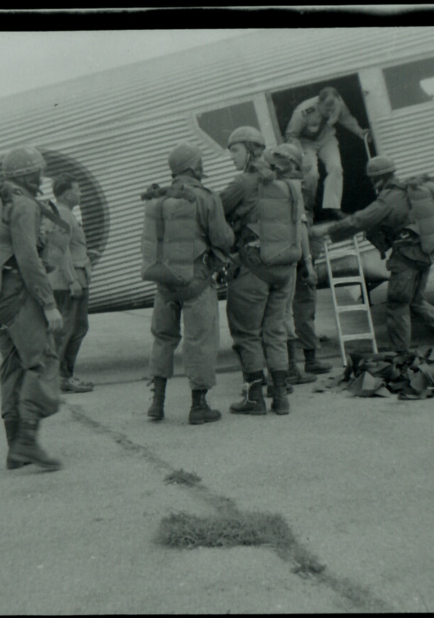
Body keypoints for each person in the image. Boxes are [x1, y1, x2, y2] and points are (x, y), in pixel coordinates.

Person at [0, 146, 64, 471]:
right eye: (39, 172)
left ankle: (13, 449)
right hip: (17, 298)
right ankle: (28, 443)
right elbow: (28, 259)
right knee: (43, 362)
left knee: (13, 365)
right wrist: (48, 305)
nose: (42, 177)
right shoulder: (23, 205)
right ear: (30, 175)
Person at [320, 155, 434, 358]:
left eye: (373, 179)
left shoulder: (389, 198)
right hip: (423, 254)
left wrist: (327, 232)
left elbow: (361, 220)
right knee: (416, 302)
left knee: (397, 305)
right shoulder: (407, 190)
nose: (372, 183)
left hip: (406, 258)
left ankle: (402, 354)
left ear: (379, 178)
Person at [142, 143, 235, 424]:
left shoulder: (157, 198)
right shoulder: (204, 196)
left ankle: (157, 403)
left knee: (163, 339)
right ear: (194, 167)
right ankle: (199, 406)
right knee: (200, 341)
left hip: (164, 281)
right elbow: (223, 239)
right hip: (195, 279)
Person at [219, 126, 304, 416]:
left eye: (234, 149)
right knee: (276, 331)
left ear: (249, 150)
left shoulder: (243, 182)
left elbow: (215, 212)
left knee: (246, 334)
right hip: (286, 268)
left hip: (253, 267)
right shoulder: (286, 182)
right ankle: (280, 397)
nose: (231, 156)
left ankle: (255, 398)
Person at [267, 144, 331, 385]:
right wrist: (308, 262)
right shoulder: (297, 185)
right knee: (303, 305)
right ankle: (308, 359)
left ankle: (290, 363)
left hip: (283, 252)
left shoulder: (277, 185)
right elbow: (302, 225)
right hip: (299, 251)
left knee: (284, 310)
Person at [40, 173, 94, 394]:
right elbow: (60, 251)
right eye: (77, 190)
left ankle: (60, 376)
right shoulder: (63, 214)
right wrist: (72, 280)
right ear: (66, 193)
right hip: (67, 283)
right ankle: (62, 377)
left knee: (76, 328)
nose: (80, 193)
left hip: (70, 279)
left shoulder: (64, 215)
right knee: (69, 330)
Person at [285, 86, 371, 221]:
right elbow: (291, 135)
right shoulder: (303, 111)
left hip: (326, 138)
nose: (330, 111)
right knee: (311, 173)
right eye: (327, 108)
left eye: (333, 108)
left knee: (336, 167)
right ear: (319, 103)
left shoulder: (338, 103)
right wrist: (301, 156)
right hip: (305, 143)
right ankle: (308, 208)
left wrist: (360, 132)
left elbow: (347, 119)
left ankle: (334, 208)